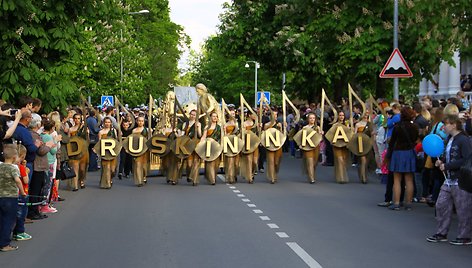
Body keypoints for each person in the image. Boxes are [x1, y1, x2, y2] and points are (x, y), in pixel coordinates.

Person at [427, 114, 472, 245]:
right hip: (449, 178)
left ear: (453, 124)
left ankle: (465, 236)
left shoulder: (463, 140)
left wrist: (447, 165)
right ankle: (441, 232)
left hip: (461, 180)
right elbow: (449, 155)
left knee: (463, 209)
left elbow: (466, 159)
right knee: (441, 204)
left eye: (445, 124)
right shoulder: (450, 139)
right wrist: (441, 161)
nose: (443, 127)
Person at [386, 106, 419, 210]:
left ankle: (396, 203)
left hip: (398, 153)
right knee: (409, 179)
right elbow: (415, 140)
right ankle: (408, 203)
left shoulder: (398, 127)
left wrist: (388, 155)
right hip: (409, 152)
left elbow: (392, 142)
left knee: (397, 180)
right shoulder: (415, 127)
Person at [0, 145, 26, 252]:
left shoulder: (0, 166)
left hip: (0, 196)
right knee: (8, 220)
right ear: (14, 158)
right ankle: (5, 244)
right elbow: (18, 180)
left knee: (1, 219)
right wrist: (23, 192)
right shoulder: (13, 168)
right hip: (10, 197)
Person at [68, 113, 89, 191]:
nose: (77, 120)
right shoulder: (70, 129)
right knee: (75, 167)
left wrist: (87, 134)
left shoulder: (84, 128)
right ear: (73, 119)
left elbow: (87, 140)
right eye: (75, 118)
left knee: (82, 169)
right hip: (74, 151)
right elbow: (69, 140)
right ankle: (75, 185)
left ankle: (81, 180)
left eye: (78, 118)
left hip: (83, 151)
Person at [200, 112, 222, 185]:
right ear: (210, 118)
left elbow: (222, 137)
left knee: (216, 163)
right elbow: (204, 136)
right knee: (210, 162)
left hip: (217, 146)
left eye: (216, 116)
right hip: (209, 146)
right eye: (213, 116)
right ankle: (212, 179)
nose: (215, 118)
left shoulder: (219, 127)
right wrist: (201, 144)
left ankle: (213, 176)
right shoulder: (207, 127)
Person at [263, 108, 283, 184]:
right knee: (271, 161)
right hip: (270, 145)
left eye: (276, 115)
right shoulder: (267, 125)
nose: (275, 116)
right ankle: (272, 177)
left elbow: (282, 135)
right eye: (273, 115)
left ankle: (275, 172)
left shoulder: (279, 124)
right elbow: (264, 135)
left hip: (277, 145)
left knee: (276, 162)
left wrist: (281, 128)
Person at [182, 109, 201, 185]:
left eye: (194, 115)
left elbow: (200, 135)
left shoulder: (198, 124)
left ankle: (195, 179)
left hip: (196, 144)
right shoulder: (185, 124)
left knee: (196, 161)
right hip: (187, 144)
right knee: (189, 164)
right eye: (191, 114)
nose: (192, 116)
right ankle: (189, 175)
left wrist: (199, 128)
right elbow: (183, 134)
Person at [301, 113, 321, 184]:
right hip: (307, 147)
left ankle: (311, 173)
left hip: (315, 147)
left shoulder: (317, 127)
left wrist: (321, 134)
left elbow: (320, 138)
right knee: (310, 161)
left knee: (314, 163)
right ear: (308, 119)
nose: (312, 119)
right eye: (310, 118)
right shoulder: (305, 128)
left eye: (313, 118)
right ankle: (311, 178)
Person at [98, 117, 118, 189]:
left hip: (112, 152)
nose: (107, 124)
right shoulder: (101, 132)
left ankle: (110, 179)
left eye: (109, 122)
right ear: (103, 123)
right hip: (104, 152)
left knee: (112, 170)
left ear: (111, 123)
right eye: (106, 122)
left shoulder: (113, 131)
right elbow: (99, 142)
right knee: (106, 168)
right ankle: (107, 183)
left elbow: (116, 140)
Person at [331, 111, 350, 184]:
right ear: (337, 116)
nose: (341, 116)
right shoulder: (335, 125)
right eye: (340, 115)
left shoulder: (347, 124)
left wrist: (348, 127)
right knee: (339, 160)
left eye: (343, 115)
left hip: (345, 145)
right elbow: (331, 134)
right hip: (337, 145)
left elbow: (350, 134)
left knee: (344, 161)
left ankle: (342, 175)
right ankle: (341, 178)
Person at [131, 116, 149, 187]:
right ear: (137, 121)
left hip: (144, 149)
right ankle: (139, 181)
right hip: (136, 149)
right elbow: (131, 140)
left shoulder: (147, 130)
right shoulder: (134, 130)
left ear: (144, 122)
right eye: (139, 121)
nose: (140, 122)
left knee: (144, 166)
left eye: (142, 121)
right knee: (137, 164)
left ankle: (144, 176)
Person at [223, 107, 239, 184]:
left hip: (236, 143)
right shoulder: (225, 124)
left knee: (236, 163)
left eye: (233, 113)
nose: (232, 115)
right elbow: (224, 135)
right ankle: (230, 177)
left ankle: (235, 174)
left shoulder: (237, 123)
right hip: (228, 143)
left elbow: (239, 133)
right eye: (231, 114)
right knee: (229, 161)